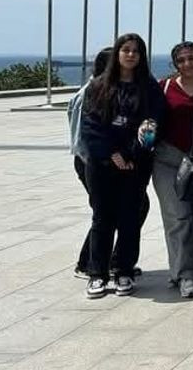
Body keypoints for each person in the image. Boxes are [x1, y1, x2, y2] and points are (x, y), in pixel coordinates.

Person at [79, 33, 166, 298]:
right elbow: (91, 126)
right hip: (103, 165)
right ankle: (97, 273)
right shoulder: (98, 86)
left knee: (130, 218)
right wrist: (112, 154)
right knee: (102, 218)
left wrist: (132, 154)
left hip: (135, 165)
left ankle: (124, 270)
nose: (131, 55)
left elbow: (153, 122)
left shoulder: (149, 88)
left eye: (136, 51)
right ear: (117, 53)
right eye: (126, 50)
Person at [153, 42, 193, 298]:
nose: (187, 64)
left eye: (192, 58)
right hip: (168, 160)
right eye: (181, 60)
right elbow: (148, 116)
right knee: (178, 218)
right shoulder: (163, 88)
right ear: (175, 64)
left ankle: (185, 269)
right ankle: (187, 275)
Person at [70, 48, 125, 280]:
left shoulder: (111, 90)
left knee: (121, 210)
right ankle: (89, 263)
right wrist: (97, 160)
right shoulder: (90, 92)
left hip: (106, 160)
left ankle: (110, 260)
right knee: (105, 213)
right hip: (92, 162)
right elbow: (80, 136)